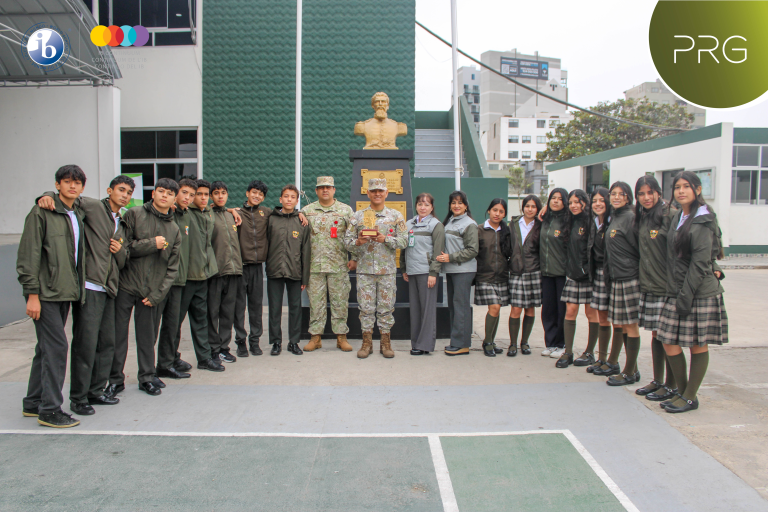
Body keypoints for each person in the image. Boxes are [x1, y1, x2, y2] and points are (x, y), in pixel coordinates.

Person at [35, 175, 134, 414]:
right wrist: (46, 195)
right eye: (121, 190)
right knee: (86, 345)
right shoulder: (93, 206)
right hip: (89, 286)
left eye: (129, 193)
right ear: (110, 190)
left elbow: (124, 259)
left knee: (106, 344)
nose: (124, 195)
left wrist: (120, 251)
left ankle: (96, 391)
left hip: (110, 288)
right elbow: (68, 198)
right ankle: (78, 398)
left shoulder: (122, 222)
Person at [18, 165, 86, 428]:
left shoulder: (75, 212)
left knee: (44, 348)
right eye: (67, 181)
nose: (72, 186)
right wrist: (31, 294)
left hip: (64, 292)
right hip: (45, 294)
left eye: (77, 182)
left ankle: (33, 403)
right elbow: (29, 256)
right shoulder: (41, 212)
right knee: (57, 348)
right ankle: (50, 410)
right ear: (57, 185)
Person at [657, 171, 728, 413]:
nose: (681, 191)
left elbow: (700, 263)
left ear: (697, 190)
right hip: (678, 288)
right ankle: (685, 392)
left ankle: (689, 396)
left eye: (687, 186)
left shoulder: (703, 219)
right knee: (668, 341)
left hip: (699, 291)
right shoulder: (680, 217)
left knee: (698, 344)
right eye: (677, 187)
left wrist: (685, 296)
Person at [113, 178, 182, 396]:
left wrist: (157, 295)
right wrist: (152, 243)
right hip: (126, 286)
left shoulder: (174, 229)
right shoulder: (134, 215)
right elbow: (121, 248)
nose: (164, 196)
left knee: (146, 338)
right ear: (153, 193)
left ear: (174, 199)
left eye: (169, 193)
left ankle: (146, 377)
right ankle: (115, 379)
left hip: (150, 293)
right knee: (117, 337)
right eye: (161, 191)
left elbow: (173, 268)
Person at [344, 178, 408, 358]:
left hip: (386, 271)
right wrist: (358, 241)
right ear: (368, 193)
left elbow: (404, 241)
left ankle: (385, 342)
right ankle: (367, 343)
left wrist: (385, 239)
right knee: (365, 308)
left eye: (380, 191)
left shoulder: (395, 216)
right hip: (364, 271)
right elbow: (346, 242)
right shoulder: (358, 217)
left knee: (386, 307)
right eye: (373, 191)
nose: (377, 194)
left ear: (387, 193)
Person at [633, 176, 678, 401]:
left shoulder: (670, 214)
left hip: (666, 287)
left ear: (658, 193)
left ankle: (672, 385)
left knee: (668, 337)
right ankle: (658, 381)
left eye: (650, 192)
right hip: (648, 285)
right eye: (641, 194)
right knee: (656, 335)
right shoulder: (642, 216)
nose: (646, 197)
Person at [302, 176, 356, 353]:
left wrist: (354, 257)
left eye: (328, 187)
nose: (325, 190)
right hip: (314, 267)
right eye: (321, 187)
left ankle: (341, 337)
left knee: (340, 302)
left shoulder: (345, 211)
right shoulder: (306, 211)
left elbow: (353, 235)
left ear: (334, 190)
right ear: (316, 191)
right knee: (316, 303)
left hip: (338, 266)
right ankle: (315, 338)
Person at [175, 179, 224, 374]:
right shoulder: (183, 214)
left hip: (203, 276)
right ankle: (170, 359)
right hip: (185, 277)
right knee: (175, 323)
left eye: (206, 194)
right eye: (198, 194)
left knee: (201, 321)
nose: (202, 198)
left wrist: (231, 210)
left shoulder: (209, 213)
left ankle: (204, 358)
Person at [597, 181, 642, 386]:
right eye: (612, 194)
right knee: (622, 326)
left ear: (628, 197)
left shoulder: (631, 218)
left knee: (631, 327)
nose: (615, 197)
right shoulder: (614, 217)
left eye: (620, 194)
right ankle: (632, 368)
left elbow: (638, 250)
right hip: (616, 279)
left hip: (629, 279)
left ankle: (630, 373)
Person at [154, 177, 196, 380]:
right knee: (157, 326)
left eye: (191, 195)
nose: (187, 198)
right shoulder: (166, 214)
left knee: (174, 323)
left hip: (179, 279)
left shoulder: (186, 215)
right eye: (184, 193)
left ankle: (169, 359)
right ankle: (159, 364)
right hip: (161, 279)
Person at [556, 189, 600, 368]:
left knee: (591, 313)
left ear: (585, 202)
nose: (573, 206)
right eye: (571, 202)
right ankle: (568, 352)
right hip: (573, 275)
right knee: (570, 311)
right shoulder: (569, 220)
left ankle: (590, 352)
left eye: (577, 202)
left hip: (589, 276)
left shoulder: (592, 221)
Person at [266, 184, 311, 355]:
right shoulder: (271, 218)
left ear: (297, 200)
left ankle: (294, 342)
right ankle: (276, 342)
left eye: (293, 197)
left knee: (295, 308)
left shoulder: (302, 221)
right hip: (274, 270)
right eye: (286, 196)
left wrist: (304, 278)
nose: (289, 199)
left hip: (295, 272)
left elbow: (306, 251)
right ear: (280, 199)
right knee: (275, 308)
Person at [400, 193, 444, 355]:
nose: (423, 207)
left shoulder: (436, 225)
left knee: (427, 310)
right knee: (416, 310)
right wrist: (404, 268)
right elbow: (404, 248)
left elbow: (439, 251)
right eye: (420, 204)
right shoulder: (409, 224)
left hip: (427, 273)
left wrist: (433, 272)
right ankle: (416, 343)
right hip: (412, 272)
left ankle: (425, 345)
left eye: (426, 205)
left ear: (432, 207)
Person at [435, 191, 478, 356]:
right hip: (452, 270)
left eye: (460, 203)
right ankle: (457, 341)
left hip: (463, 270)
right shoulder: (450, 221)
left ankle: (462, 344)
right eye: (453, 202)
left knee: (461, 307)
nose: (456, 205)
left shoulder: (469, 224)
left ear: (466, 205)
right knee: (454, 306)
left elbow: (473, 250)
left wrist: (450, 257)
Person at [208, 181, 243, 363]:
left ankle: (223, 347)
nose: (220, 196)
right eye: (216, 193)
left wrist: (231, 210)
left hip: (234, 271)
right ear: (211, 196)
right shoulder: (207, 215)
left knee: (227, 313)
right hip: (215, 273)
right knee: (212, 313)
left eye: (223, 192)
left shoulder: (231, 217)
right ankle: (213, 349)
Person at [234, 179, 270, 357]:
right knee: (239, 307)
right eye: (254, 192)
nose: (257, 196)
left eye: (261, 194)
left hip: (257, 267)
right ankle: (241, 342)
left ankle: (255, 342)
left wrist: (299, 214)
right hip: (240, 267)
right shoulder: (236, 213)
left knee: (256, 307)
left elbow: (285, 214)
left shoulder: (266, 213)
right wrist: (229, 209)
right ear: (248, 193)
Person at [504, 195, 542, 357]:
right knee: (516, 309)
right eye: (527, 206)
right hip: (516, 272)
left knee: (530, 309)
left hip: (534, 271)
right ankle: (513, 343)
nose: (530, 209)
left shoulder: (541, 225)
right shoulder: (513, 224)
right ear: (522, 207)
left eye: (534, 206)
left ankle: (524, 342)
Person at [474, 199, 510, 357]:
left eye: (501, 211)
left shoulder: (507, 231)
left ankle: (491, 340)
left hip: (502, 276)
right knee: (494, 307)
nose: (497, 214)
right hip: (485, 276)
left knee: (496, 309)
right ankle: (487, 342)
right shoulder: (479, 230)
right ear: (489, 210)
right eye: (495, 210)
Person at [584, 188, 614, 372]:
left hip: (613, 273)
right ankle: (602, 358)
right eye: (594, 200)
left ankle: (615, 361)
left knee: (620, 321)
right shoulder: (594, 222)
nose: (598, 203)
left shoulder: (614, 222)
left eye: (602, 200)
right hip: (598, 273)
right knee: (602, 316)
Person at [539, 188, 569, 359]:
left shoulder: (568, 221)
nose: (556, 201)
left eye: (560, 199)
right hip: (546, 273)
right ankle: (550, 344)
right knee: (548, 310)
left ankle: (561, 344)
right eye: (553, 198)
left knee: (562, 310)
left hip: (562, 274)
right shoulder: (544, 220)